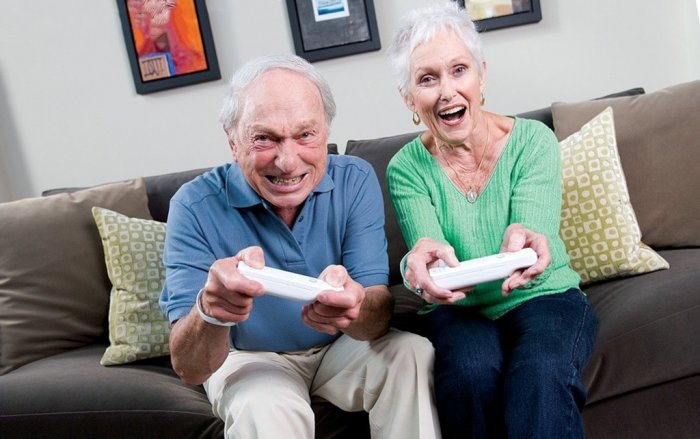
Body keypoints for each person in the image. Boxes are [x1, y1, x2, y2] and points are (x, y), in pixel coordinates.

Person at [159, 54, 441, 439]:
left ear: (325, 131)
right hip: (250, 358)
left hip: (339, 348)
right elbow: (189, 368)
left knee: (411, 354)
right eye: (264, 138)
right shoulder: (192, 206)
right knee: (264, 407)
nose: (288, 162)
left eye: (305, 134)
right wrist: (211, 312)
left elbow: (376, 317)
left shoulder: (354, 180)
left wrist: (355, 306)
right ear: (233, 141)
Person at [385, 3, 598, 438]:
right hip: (460, 309)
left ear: (481, 76)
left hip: (544, 295)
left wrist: (526, 238)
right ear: (409, 99)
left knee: (540, 373)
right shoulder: (405, 168)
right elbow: (427, 249)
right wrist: (417, 265)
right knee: (469, 374)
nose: (447, 91)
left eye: (459, 70)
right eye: (427, 79)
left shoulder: (533, 141)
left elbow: (532, 225)